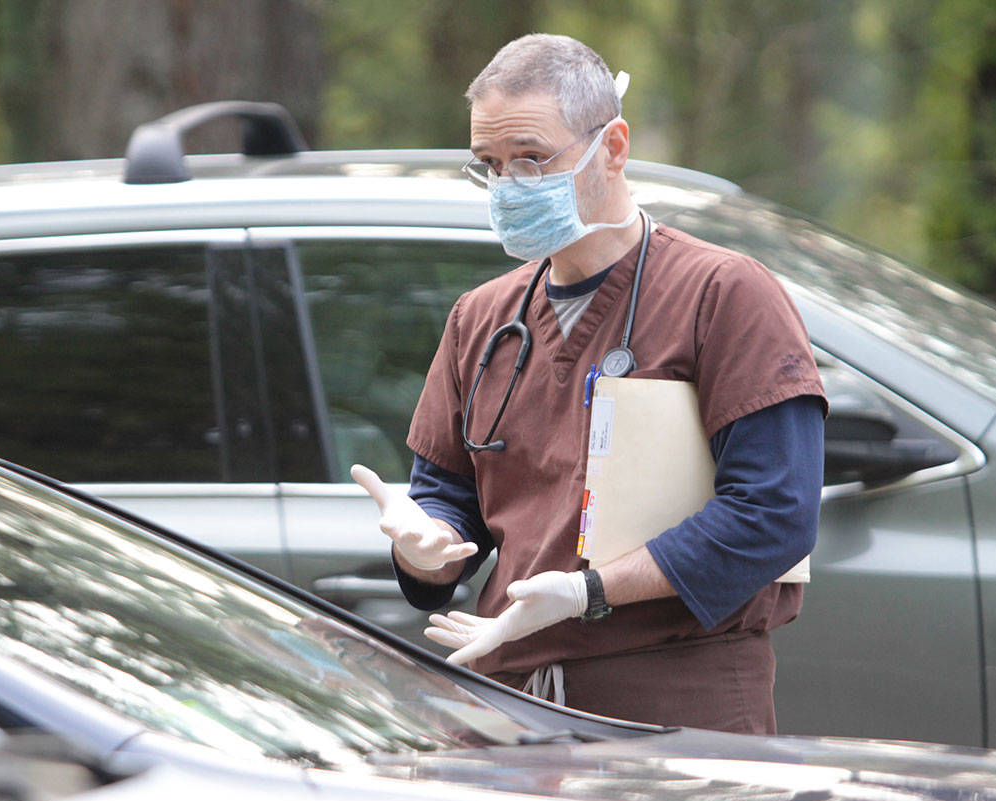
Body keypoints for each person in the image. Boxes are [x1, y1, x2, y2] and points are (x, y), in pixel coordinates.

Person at [351, 33, 826, 734]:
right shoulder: (482, 318)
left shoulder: (722, 294)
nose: (510, 186)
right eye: (490, 165)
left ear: (613, 146)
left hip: (675, 703)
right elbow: (449, 497)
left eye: (532, 159)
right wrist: (424, 547)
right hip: (505, 707)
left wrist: (589, 591)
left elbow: (774, 512)